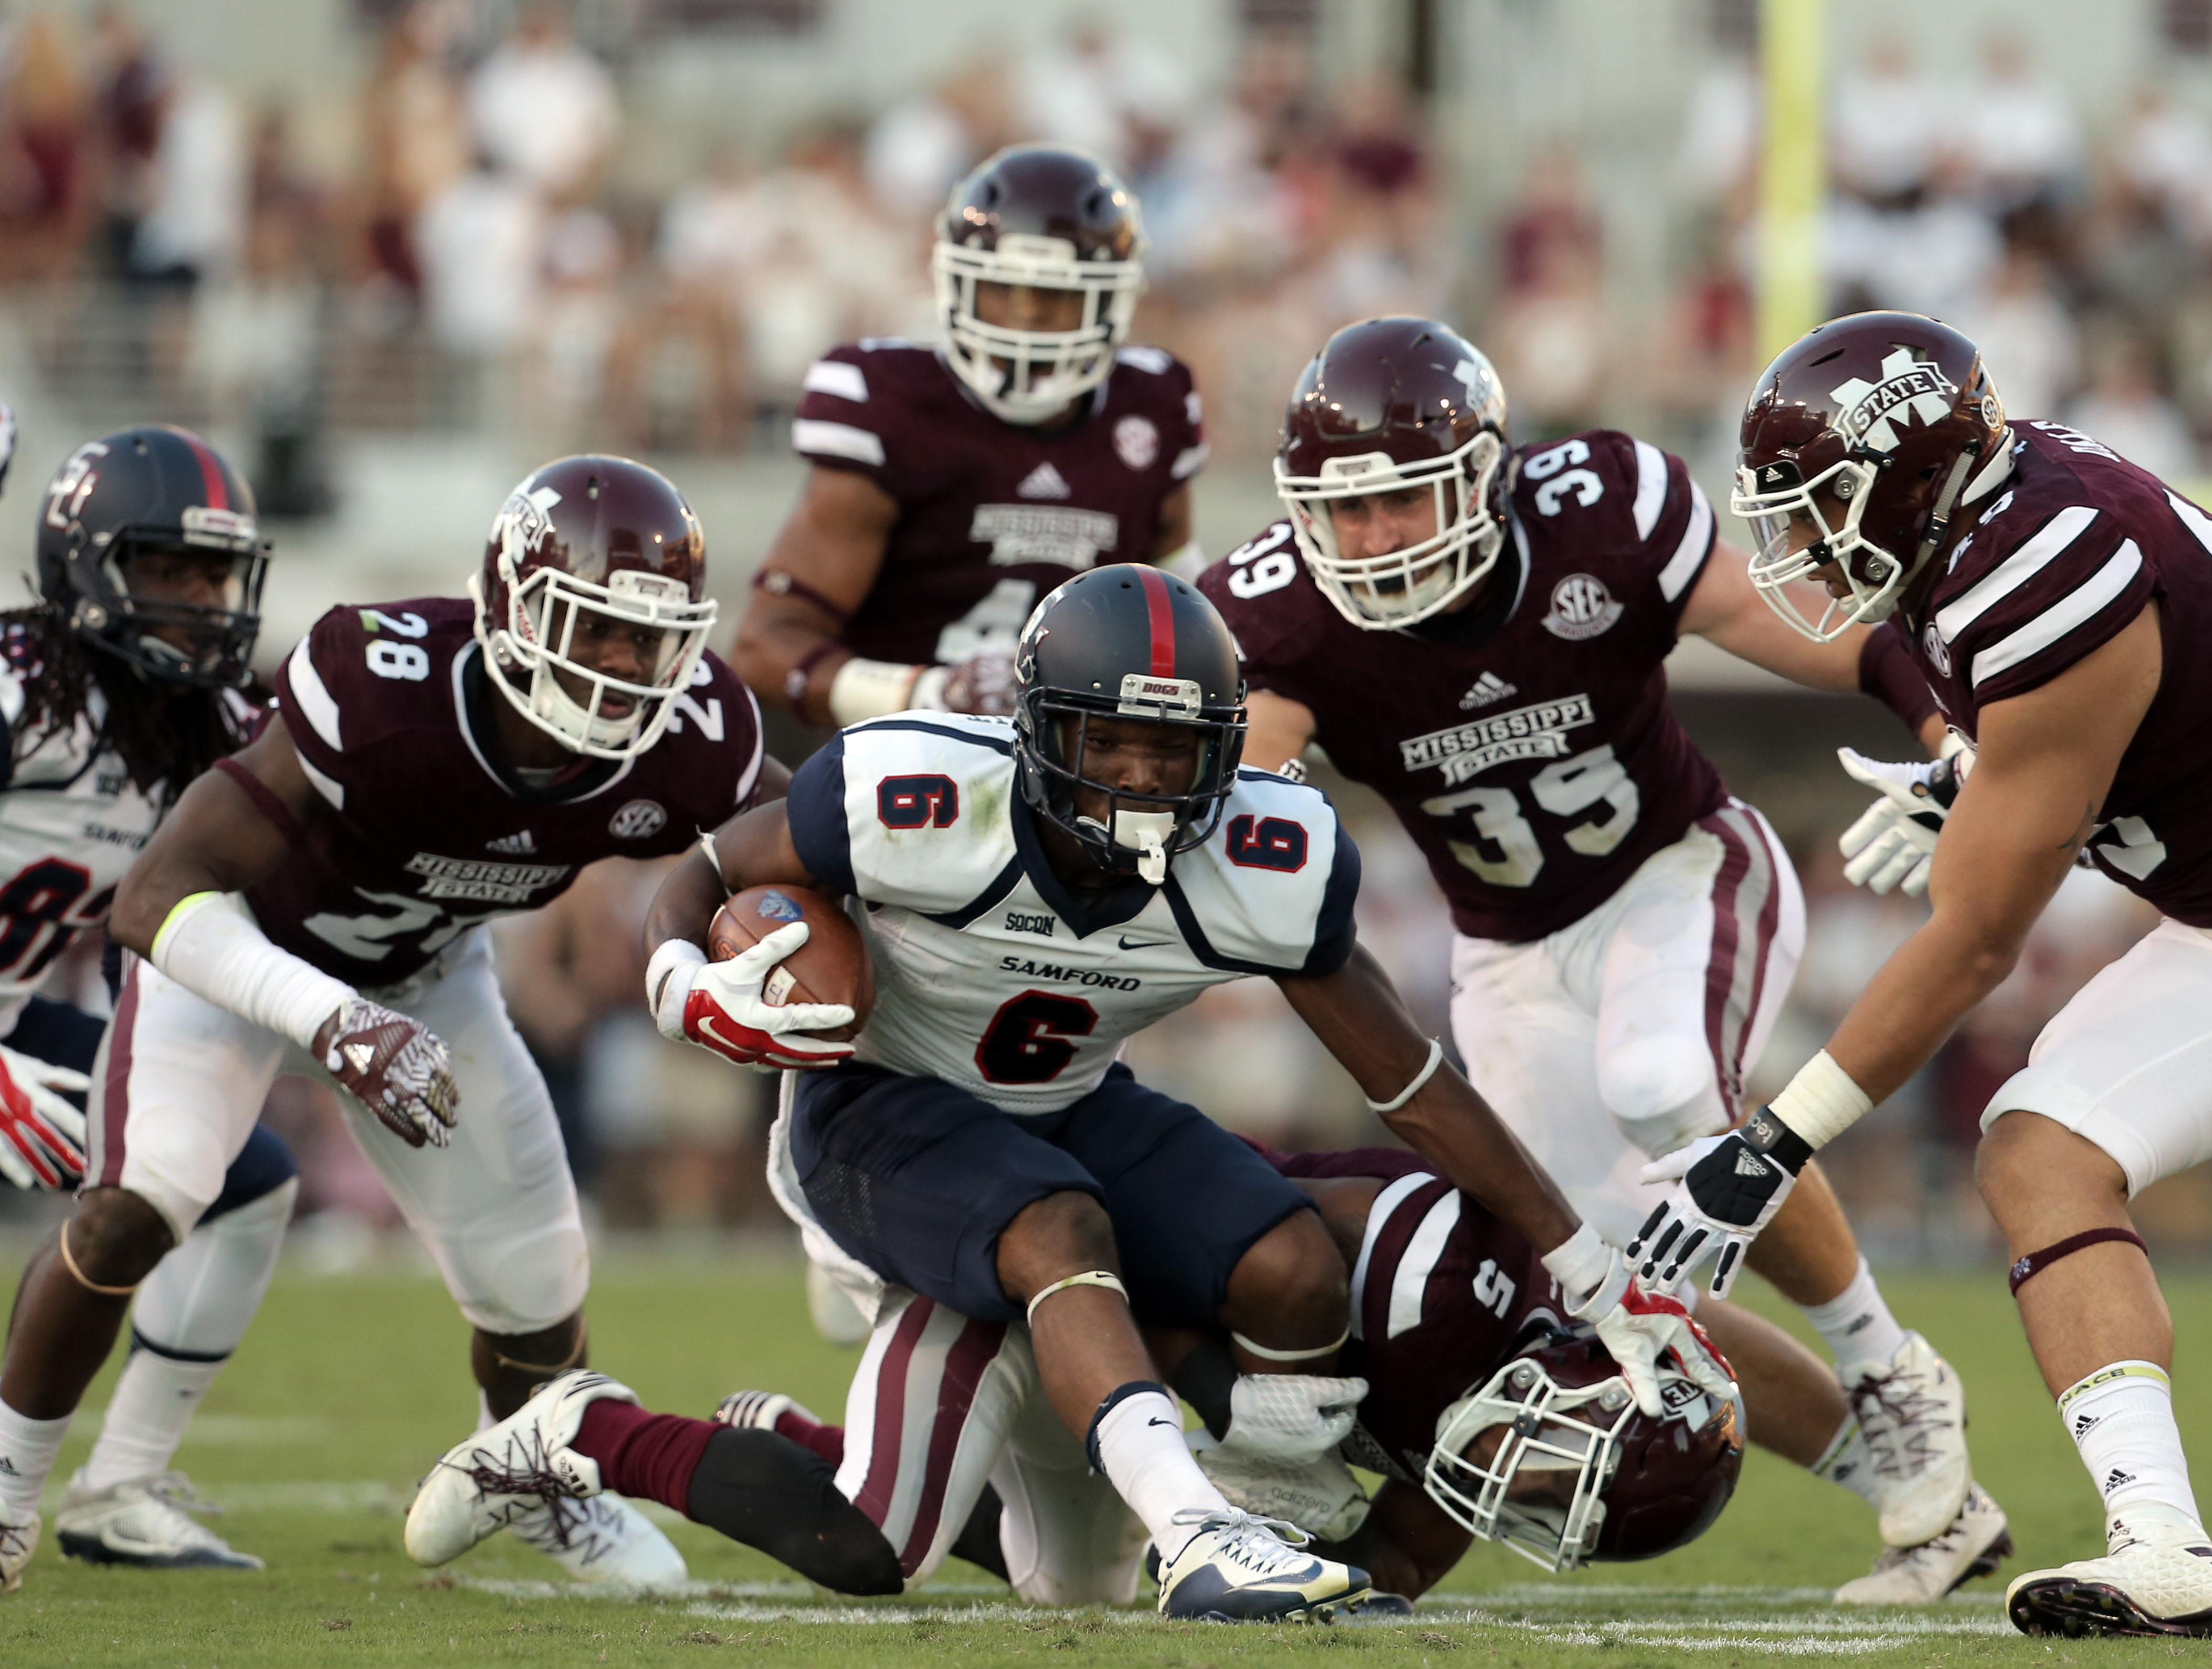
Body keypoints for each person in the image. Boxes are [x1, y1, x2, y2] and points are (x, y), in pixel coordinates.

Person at [401, 564, 1724, 1623]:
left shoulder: (1263, 855)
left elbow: (1408, 1081)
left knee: (1282, 1273)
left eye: (1175, 750)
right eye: (1113, 742)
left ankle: (1232, 1511)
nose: (1144, 780)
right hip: (881, 1110)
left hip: (1070, 1100)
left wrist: (1582, 1260)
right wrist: (682, 981)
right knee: (1033, 1277)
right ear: (1034, 731)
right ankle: (1198, 1532)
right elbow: (695, 873)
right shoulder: (915, 796)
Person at [1633, 310, 2212, 1639]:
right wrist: (1975, 773)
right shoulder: (1983, 518)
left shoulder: (2039, 562)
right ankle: (2163, 1549)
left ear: (1906, 477)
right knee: (2040, 1147)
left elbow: (1971, 941)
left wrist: (1772, 1144)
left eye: (1817, 502)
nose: (1794, 542)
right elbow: (2122, 730)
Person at [1196, 317, 1991, 1573]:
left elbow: (1806, 630)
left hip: (1678, 875)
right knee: (1602, 1279)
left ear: (1480, 477)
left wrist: (1947, 732)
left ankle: (1886, 1364)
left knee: (1662, 1087)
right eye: (1337, 514)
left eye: (1397, 505)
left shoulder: (1600, 514)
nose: (1364, 542)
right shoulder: (1283, 612)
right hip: (1505, 952)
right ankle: (1914, 1491)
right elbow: (1247, 786)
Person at [86, 455, 772, 1591]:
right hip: (251, 951)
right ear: (508, 606)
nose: (618, 668)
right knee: (148, 1189)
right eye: (590, 627)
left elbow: (800, 834)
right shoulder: (384, 678)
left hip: (427, 976)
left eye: (645, 641)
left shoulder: (693, 734)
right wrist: (331, 1019)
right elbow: (157, 893)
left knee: (541, 1272)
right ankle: (18, 1493)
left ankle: (540, 1473)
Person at [705, 1139, 2014, 1607]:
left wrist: (1324, 1554)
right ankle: (880, 1318)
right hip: (1126, 1254)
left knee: (1108, 1574)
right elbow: (1144, 1289)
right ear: (1569, 1374)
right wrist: (1237, 1404)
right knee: (1230, 1468)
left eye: (1548, 1504)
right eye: (1558, 1465)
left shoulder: (1496, 1452)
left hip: (1298, 1379)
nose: (1522, 1484)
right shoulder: (1432, 1294)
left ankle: (827, 1446)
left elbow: (1386, 1567)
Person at [0, 425, 300, 1586]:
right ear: (87, 566)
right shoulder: (25, 689)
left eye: (217, 575)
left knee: (248, 1177)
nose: (200, 602)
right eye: (170, 570)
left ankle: (120, 1484)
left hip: (18, 1011)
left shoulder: (210, 725)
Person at [729, 145, 1204, 739]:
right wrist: (929, 692)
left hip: (1080, 763)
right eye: (1004, 290)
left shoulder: (1151, 408)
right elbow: (764, 647)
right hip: (901, 747)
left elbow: (1186, 611)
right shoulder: (894, 405)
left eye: (1054, 296)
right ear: (956, 283)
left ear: (1112, 298)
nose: (1026, 318)